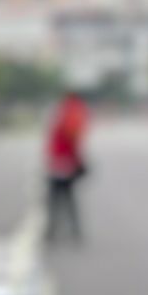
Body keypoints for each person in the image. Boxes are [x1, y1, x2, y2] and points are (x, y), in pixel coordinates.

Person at [45, 89, 91, 241]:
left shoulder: (70, 110)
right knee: (66, 197)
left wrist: (76, 158)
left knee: (56, 198)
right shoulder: (76, 110)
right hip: (65, 159)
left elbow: (73, 135)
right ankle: (72, 231)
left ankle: (53, 230)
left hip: (62, 160)